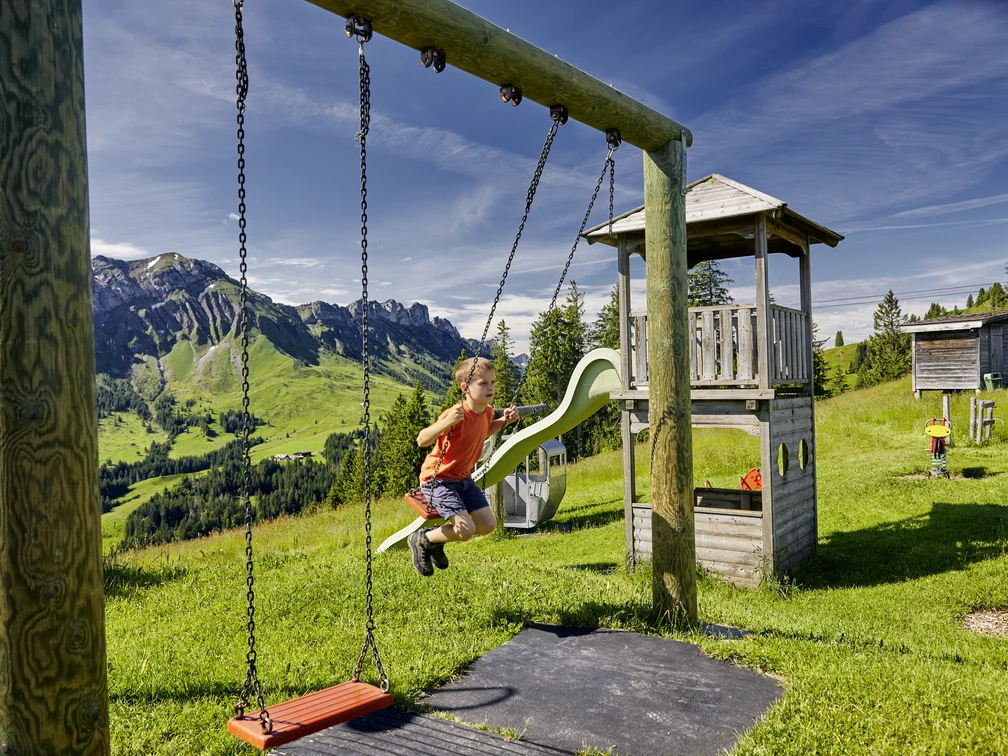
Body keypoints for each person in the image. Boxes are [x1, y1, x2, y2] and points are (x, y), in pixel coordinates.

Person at [409, 356, 519, 576]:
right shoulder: (456, 413)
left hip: (463, 479)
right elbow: (422, 440)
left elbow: (482, 431)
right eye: (483, 383)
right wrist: (446, 423)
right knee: (465, 530)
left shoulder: (486, 411)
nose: (491, 388)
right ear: (465, 387)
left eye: (493, 382)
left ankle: (436, 541)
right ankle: (423, 539)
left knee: (488, 525)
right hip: (437, 480)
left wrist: (503, 421)